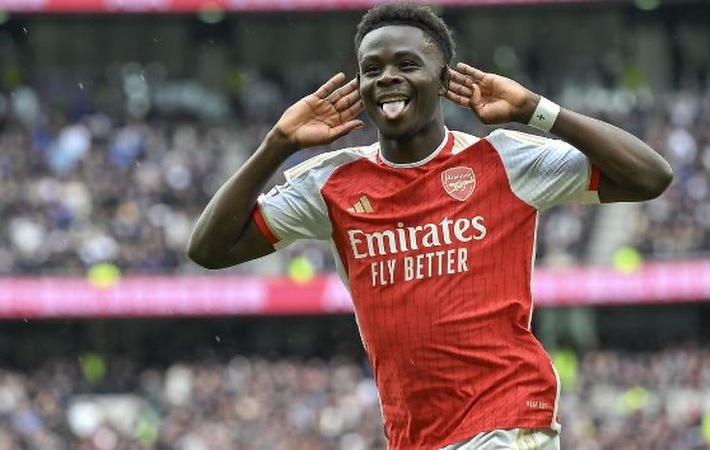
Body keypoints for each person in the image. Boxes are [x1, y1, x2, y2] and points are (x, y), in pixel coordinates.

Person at [188, 4, 672, 449]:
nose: (387, 77)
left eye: (407, 64)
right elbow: (210, 249)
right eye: (371, 69)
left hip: (506, 421)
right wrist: (276, 144)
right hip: (414, 436)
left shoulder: (503, 160)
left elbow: (650, 176)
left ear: (442, 80)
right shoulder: (331, 184)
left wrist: (535, 111)